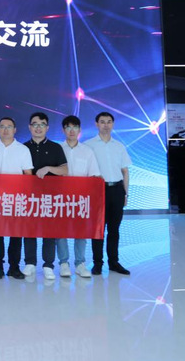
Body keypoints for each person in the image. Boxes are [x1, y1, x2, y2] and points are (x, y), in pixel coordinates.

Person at [85, 112, 132, 276]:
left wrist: (126, 194)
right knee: (98, 230)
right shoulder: (88, 146)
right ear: (96, 124)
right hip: (98, 190)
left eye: (109, 122)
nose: (106, 125)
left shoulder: (119, 146)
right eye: (102, 122)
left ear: (113, 124)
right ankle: (97, 263)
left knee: (114, 229)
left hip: (117, 189)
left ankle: (114, 262)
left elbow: (125, 171)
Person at [23, 112, 68, 281]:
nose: (38, 128)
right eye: (35, 124)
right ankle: (30, 263)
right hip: (28, 197)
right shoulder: (22, 148)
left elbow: (65, 170)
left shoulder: (56, 147)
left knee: (49, 231)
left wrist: (49, 168)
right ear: (29, 127)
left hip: (50, 197)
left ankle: (48, 265)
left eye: (42, 124)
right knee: (29, 229)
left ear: (47, 128)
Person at [0, 117, 33, 280]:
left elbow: (28, 174)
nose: (6, 130)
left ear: (15, 130)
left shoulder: (23, 150)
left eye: (9, 127)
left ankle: (14, 266)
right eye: (2, 126)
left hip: (17, 199)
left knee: (16, 234)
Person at [58, 115, 101, 278]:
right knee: (60, 231)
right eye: (68, 127)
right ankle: (63, 263)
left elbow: (94, 175)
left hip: (81, 198)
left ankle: (80, 263)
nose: (71, 131)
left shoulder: (87, 151)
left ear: (80, 130)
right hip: (61, 198)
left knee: (81, 231)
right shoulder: (57, 149)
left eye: (75, 127)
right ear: (63, 130)